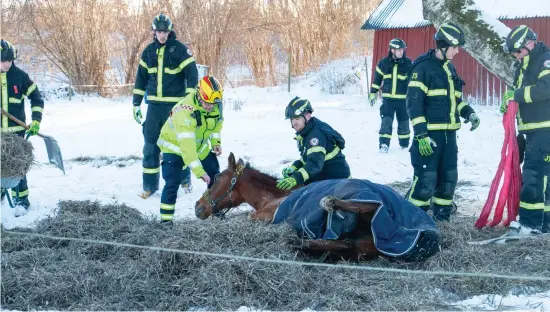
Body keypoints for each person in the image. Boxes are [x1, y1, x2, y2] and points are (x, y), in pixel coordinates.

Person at [405, 23, 480, 222]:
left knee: (448, 180)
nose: (457, 51)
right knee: (426, 181)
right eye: (455, 47)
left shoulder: (450, 68)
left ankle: (442, 221)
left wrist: (469, 113)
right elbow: (414, 105)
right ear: (443, 45)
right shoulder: (422, 68)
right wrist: (421, 135)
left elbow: (455, 100)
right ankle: (415, 222)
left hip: (449, 137)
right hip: (429, 137)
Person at [132, 13, 198, 199]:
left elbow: (192, 75)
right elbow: (140, 80)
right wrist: (136, 104)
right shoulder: (148, 52)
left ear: (170, 31)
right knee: (150, 147)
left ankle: (184, 181)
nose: (162, 35)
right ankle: (149, 186)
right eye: (159, 31)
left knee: (178, 145)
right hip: (154, 107)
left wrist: (189, 99)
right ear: (154, 31)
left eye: (165, 31)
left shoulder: (180, 50)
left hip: (175, 108)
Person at [501, 25, 550, 235]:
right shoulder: (521, 66)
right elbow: (517, 91)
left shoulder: (545, 60)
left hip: (545, 129)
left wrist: (517, 95)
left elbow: (545, 88)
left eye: (518, 51)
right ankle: (544, 224)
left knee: (533, 176)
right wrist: (509, 101)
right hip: (531, 131)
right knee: (543, 178)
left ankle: (529, 225)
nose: (515, 55)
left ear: (529, 44)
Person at [156, 75, 224, 223]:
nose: (210, 107)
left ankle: (215, 211)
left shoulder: (215, 104)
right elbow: (187, 148)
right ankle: (165, 222)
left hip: (199, 146)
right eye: (207, 103)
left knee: (216, 177)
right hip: (173, 147)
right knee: (172, 183)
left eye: (213, 104)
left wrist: (215, 142)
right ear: (199, 95)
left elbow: (217, 123)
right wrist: (199, 172)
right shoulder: (185, 112)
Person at [0, 39, 45, 209]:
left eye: (10, 60)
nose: (7, 64)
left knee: (17, 168)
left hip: (17, 134)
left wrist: (36, 121)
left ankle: (21, 200)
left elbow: (37, 98)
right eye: (4, 60)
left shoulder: (20, 76)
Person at [277, 96, 351, 190]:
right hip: (326, 177)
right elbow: (308, 157)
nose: (294, 123)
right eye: (292, 119)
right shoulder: (308, 130)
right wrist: (294, 167)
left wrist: (295, 178)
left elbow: (314, 164)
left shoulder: (315, 135)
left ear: (307, 115)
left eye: (297, 118)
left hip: (338, 183)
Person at [369, 38, 413, 153]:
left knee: (404, 124)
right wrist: (373, 92)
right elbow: (377, 80)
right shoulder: (383, 64)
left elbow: (413, 82)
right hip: (388, 101)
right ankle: (384, 144)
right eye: (399, 50)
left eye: (403, 50)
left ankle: (404, 145)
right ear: (392, 50)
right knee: (386, 123)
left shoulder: (408, 64)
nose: (402, 52)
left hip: (403, 101)